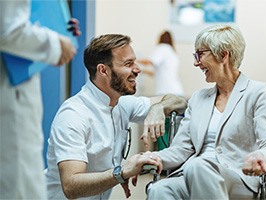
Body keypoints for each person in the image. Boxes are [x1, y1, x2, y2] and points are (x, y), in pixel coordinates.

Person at [145, 24, 266, 199]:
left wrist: (260, 156)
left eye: (200, 54)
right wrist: (148, 157)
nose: (196, 62)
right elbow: (181, 149)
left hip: (238, 176)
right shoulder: (198, 98)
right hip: (192, 174)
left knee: (196, 166)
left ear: (223, 55)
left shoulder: (257, 93)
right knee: (159, 189)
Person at [44, 34, 187, 199]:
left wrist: (159, 107)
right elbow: (71, 186)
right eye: (128, 64)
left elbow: (178, 101)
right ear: (103, 70)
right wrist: (122, 172)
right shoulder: (73, 115)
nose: (138, 69)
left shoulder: (122, 104)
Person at [0, 0, 79, 199]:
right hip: (10, 88)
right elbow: (7, 30)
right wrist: (56, 43)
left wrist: (58, 27)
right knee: (19, 185)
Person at [138, 30, 184, 96]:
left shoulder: (163, 47)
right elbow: (156, 74)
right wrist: (142, 71)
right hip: (176, 92)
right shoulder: (172, 52)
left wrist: (133, 61)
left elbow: (150, 61)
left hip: (167, 92)